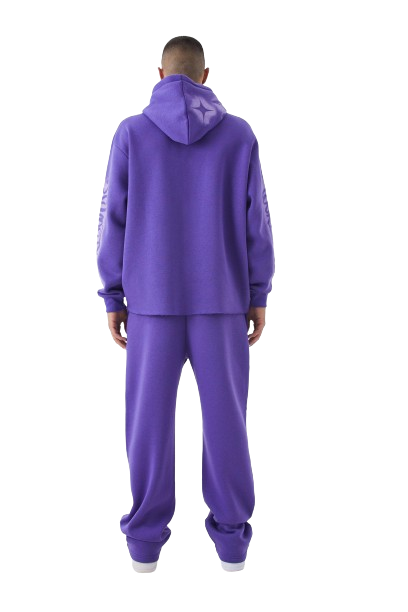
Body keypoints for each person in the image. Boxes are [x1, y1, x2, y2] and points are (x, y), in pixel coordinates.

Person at [96, 35, 275, 574]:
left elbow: (113, 219)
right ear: (205, 76)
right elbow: (256, 223)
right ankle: (232, 546)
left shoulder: (131, 133)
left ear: (159, 75)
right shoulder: (239, 134)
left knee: (147, 425)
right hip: (222, 301)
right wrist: (258, 294)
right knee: (227, 423)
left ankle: (145, 546)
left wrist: (113, 293)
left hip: (150, 302)